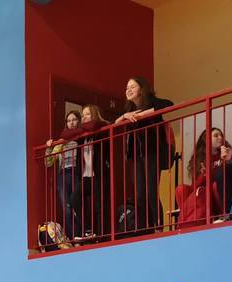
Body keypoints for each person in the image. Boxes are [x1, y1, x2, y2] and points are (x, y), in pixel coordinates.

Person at [116, 77, 174, 236]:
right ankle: (145, 229)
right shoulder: (129, 109)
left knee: (151, 192)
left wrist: (141, 115)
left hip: (152, 152)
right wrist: (125, 116)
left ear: (142, 89)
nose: (128, 90)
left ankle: (158, 228)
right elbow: (115, 123)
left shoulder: (152, 101)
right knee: (140, 194)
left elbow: (169, 104)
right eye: (127, 87)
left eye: (132, 87)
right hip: (136, 155)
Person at [69, 104, 111, 239]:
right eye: (83, 115)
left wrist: (81, 128)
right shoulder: (82, 134)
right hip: (85, 175)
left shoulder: (101, 127)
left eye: (87, 114)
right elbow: (65, 134)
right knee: (74, 199)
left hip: (98, 173)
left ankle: (102, 235)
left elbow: (95, 125)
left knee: (100, 205)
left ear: (94, 114)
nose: (84, 117)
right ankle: (88, 229)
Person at [46, 110, 82, 239]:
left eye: (74, 120)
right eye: (69, 121)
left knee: (77, 205)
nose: (71, 123)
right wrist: (49, 147)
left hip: (76, 173)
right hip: (63, 174)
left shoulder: (81, 137)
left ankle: (80, 235)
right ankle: (72, 237)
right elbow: (49, 162)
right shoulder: (62, 141)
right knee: (66, 208)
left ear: (79, 121)